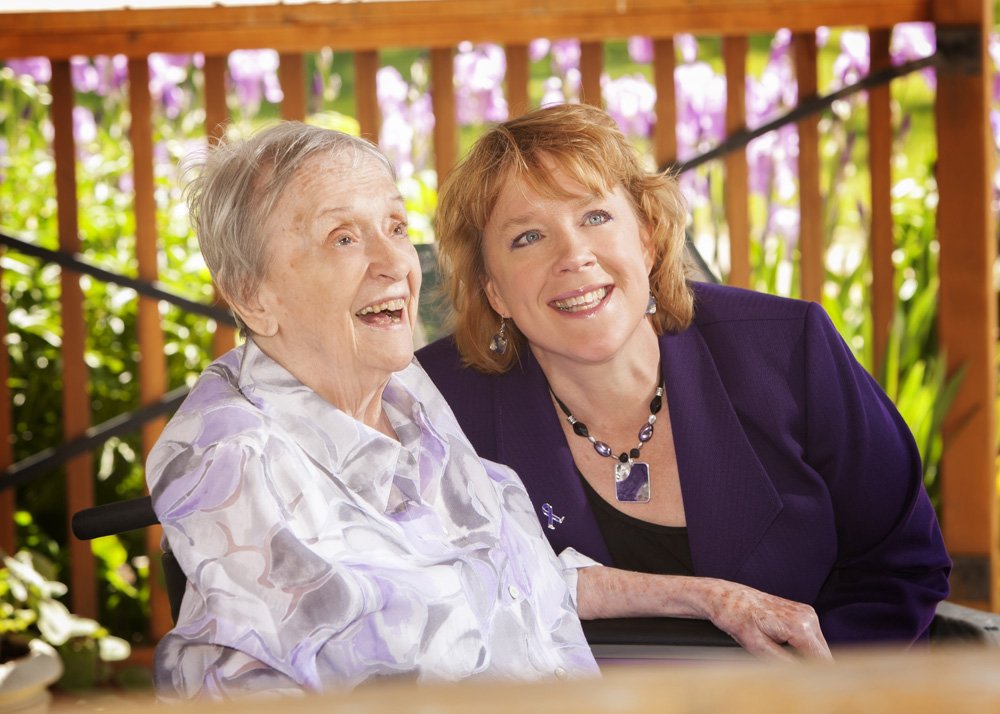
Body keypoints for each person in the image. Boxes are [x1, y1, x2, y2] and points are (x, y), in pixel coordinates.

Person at [147, 121, 831, 700]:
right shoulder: (227, 455)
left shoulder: (408, 399)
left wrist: (709, 596)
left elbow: (514, 572)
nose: (397, 265)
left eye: (393, 225)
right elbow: (369, 665)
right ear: (251, 294)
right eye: (343, 238)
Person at [416, 102, 951, 648]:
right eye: (527, 237)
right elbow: (423, 609)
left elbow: (901, 566)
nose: (573, 255)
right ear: (494, 292)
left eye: (595, 217)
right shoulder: (436, 408)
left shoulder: (788, 348)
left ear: (647, 239)